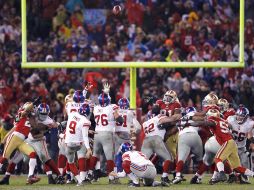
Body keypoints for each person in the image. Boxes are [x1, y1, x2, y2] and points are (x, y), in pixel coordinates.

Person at [88, 83, 123, 184]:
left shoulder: (96, 108)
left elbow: (104, 102)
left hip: (97, 133)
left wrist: (106, 93)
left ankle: (89, 174)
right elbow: (119, 119)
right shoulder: (112, 107)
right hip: (107, 134)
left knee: (95, 155)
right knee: (109, 157)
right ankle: (112, 179)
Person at [141, 105, 173, 186]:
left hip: (146, 140)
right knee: (168, 158)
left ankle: (138, 178)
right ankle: (164, 177)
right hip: (156, 139)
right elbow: (168, 120)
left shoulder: (145, 123)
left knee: (142, 161)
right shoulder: (160, 117)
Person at [65, 103, 92, 186]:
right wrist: (88, 149)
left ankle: (79, 180)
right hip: (78, 145)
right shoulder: (86, 121)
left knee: (71, 162)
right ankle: (85, 176)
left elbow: (67, 107)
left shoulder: (72, 113)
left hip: (68, 143)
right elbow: (85, 136)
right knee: (81, 155)